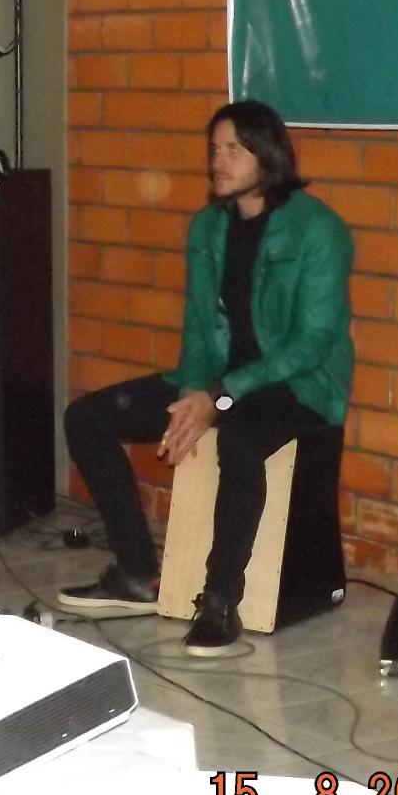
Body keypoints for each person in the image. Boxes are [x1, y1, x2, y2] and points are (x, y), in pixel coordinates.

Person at [54, 100, 354, 655]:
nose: (218, 161)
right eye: (215, 149)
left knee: (239, 441)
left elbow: (312, 343)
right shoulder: (208, 226)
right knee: (88, 418)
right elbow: (198, 327)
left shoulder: (319, 229)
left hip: (298, 385)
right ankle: (138, 574)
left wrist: (220, 398)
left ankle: (219, 600)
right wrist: (195, 391)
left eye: (233, 149)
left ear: (267, 154)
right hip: (221, 381)